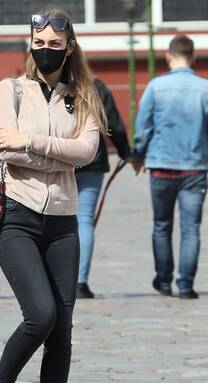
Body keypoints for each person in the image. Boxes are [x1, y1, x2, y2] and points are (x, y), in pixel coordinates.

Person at [0, 9, 102, 383]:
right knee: (41, 314)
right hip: (16, 216)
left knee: (63, 327)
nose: (48, 50)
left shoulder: (84, 96)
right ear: (30, 44)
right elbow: (4, 146)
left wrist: (32, 144)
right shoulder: (10, 89)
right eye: (41, 42)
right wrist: (59, 155)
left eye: (57, 44)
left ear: (69, 48)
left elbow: (87, 152)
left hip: (63, 224)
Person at [131, 35, 208, 300]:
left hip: (161, 165)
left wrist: (139, 151)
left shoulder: (156, 87)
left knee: (162, 225)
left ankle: (164, 279)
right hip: (194, 167)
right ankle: (186, 285)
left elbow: (144, 124)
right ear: (193, 57)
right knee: (191, 228)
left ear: (168, 56)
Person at [75, 77, 130, 299]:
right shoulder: (96, 86)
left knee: (54, 221)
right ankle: (80, 283)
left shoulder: (49, 85)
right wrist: (126, 152)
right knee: (85, 220)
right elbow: (114, 124)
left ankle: (54, 281)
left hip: (57, 162)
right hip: (91, 161)